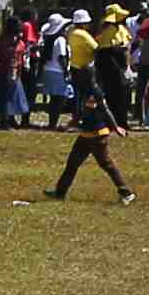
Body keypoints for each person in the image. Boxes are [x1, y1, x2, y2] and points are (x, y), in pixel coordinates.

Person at [43, 74, 133, 205]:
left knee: (107, 164)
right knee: (72, 164)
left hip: (97, 136)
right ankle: (59, 193)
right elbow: (81, 112)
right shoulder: (84, 91)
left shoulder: (95, 91)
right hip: (85, 136)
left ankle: (127, 192)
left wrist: (116, 127)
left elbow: (105, 110)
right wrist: (69, 124)